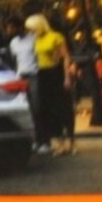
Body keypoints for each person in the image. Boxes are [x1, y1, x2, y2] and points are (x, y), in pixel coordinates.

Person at [25, 13, 72, 154]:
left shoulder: (55, 37)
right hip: (40, 73)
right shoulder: (34, 39)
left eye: (32, 28)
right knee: (44, 108)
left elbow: (65, 57)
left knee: (57, 107)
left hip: (54, 72)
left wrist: (67, 76)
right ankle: (50, 140)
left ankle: (63, 141)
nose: (30, 31)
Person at [6, 17, 41, 148]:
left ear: (18, 27)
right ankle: (31, 139)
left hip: (33, 74)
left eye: (11, 28)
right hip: (20, 76)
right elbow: (15, 60)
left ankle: (41, 138)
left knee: (36, 107)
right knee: (25, 108)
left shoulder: (33, 39)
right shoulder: (13, 43)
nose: (9, 31)